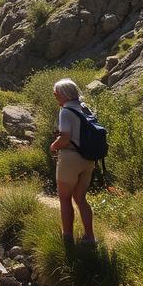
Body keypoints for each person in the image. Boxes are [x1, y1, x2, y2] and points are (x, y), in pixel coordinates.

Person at [49, 78, 96, 243]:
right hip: (88, 158)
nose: (55, 97)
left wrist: (53, 146)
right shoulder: (85, 109)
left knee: (64, 198)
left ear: (64, 94)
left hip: (70, 158)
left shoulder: (66, 111)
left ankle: (67, 237)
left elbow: (65, 137)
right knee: (81, 199)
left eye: (56, 94)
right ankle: (90, 237)